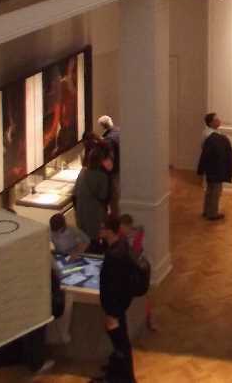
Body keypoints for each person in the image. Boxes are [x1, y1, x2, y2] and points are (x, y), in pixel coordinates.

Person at [93, 216, 150, 383]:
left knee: (120, 342)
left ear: (110, 231)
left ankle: (124, 377)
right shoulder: (122, 246)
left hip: (115, 308)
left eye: (102, 228)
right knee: (120, 341)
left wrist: (112, 312)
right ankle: (118, 373)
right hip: (119, 306)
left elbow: (113, 286)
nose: (100, 230)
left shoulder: (114, 257)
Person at [119, 213, 158, 331]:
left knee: (143, 296)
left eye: (122, 227)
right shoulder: (124, 235)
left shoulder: (134, 236)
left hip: (136, 268)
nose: (121, 230)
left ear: (128, 226)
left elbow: (135, 254)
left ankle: (149, 319)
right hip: (131, 267)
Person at [196, 112, 232, 221]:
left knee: (210, 190)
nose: (219, 121)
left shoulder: (206, 133)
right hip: (216, 168)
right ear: (211, 123)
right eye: (217, 119)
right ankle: (212, 214)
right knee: (215, 192)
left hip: (210, 168)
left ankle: (207, 211)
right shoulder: (214, 138)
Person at [75, 146, 113, 246]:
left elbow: (75, 191)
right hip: (95, 210)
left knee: (85, 236)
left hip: (81, 209)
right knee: (96, 235)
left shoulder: (82, 172)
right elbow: (103, 195)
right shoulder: (102, 176)